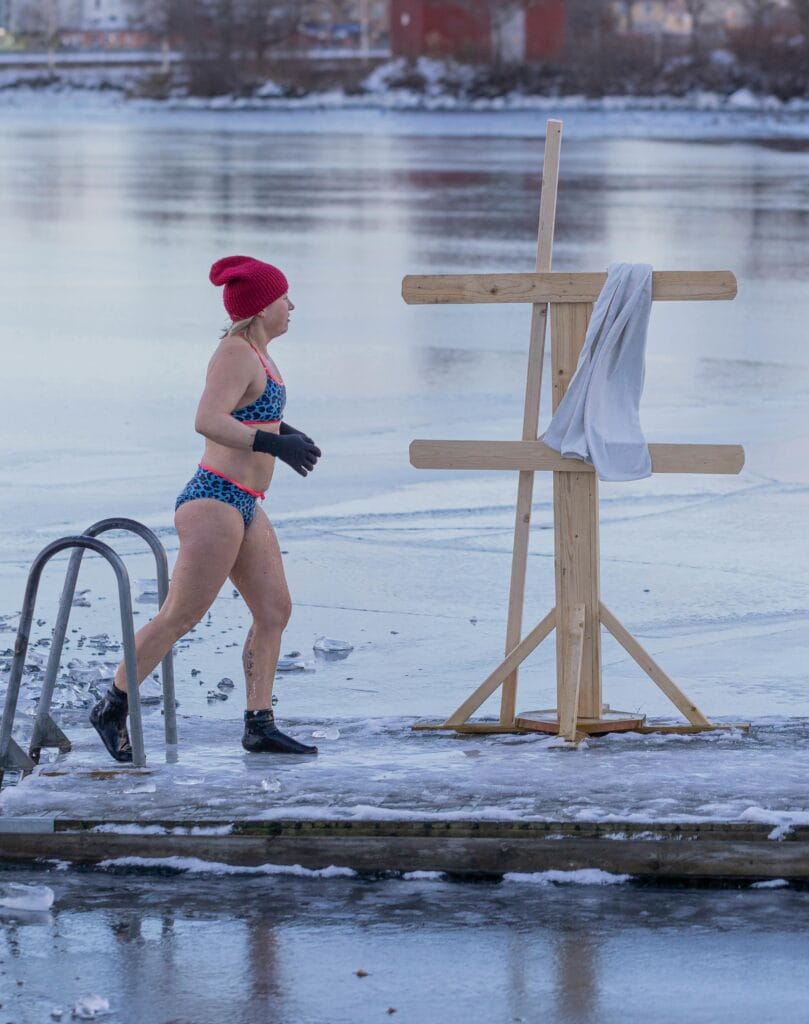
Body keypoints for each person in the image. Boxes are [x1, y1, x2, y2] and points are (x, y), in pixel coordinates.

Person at [89, 255, 322, 762]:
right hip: (214, 498)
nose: (292, 306)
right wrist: (272, 444)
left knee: (274, 610)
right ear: (262, 308)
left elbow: (249, 411)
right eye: (284, 297)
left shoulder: (259, 353)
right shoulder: (235, 352)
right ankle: (113, 704)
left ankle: (259, 724)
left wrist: (287, 433)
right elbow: (208, 420)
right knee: (181, 615)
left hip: (245, 502)